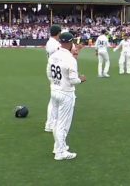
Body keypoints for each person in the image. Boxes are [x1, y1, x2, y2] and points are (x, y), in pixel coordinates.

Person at [47, 32, 86, 160]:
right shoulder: (70, 59)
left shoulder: (53, 55)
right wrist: (81, 79)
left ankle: (58, 147)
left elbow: (48, 73)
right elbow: (73, 80)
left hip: (54, 90)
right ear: (70, 42)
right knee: (63, 124)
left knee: (57, 121)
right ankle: (60, 152)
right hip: (66, 93)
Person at [44, 24, 62, 132]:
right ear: (58, 33)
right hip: (54, 69)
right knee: (54, 98)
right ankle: (50, 124)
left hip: (53, 68)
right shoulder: (53, 43)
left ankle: (51, 122)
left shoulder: (51, 42)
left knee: (55, 97)